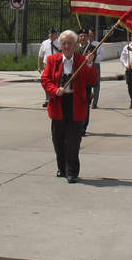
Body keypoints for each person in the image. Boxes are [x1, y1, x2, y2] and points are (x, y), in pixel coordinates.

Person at [41, 30, 97, 183]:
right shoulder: (53, 60)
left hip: (75, 105)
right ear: (60, 45)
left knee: (73, 140)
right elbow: (45, 80)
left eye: (69, 43)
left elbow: (92, 81)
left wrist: (91, 63)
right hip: (58, 103)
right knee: (58, 139)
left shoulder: (82, 60)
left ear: (75, 45)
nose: (66, 46)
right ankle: (61, 167)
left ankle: (72, 171)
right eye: (63, 43)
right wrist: (54, 91)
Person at [38, 27, 60, 107]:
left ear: (56, 34)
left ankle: (54, 97)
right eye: (50, 33)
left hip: (56, 65)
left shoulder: (59, 43)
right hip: (47, 65)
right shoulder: (45, 43)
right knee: (47, 82)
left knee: (55, 82)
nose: (51, 35)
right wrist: (39, 66)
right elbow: (40, 55)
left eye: (53, 33)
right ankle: (47, 99)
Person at [88, 27, 105, 108]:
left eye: (91, 35)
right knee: (86, 82)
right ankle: (90, 96)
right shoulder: (85, 44)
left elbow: (102, 55)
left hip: (95, 65)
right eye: (88, 34)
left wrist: (94, 59)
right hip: (87, 65)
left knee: (96, 84)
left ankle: (95, 102)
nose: (89, 36)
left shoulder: (98, 44)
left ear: (94, 36)